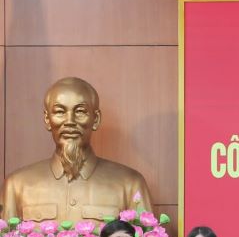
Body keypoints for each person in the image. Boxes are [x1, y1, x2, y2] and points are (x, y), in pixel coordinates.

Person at [1, 77, 153, 221]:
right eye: (60, 111)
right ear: (47, 119)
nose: (70, 121)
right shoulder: (17, 186)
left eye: (80, 111)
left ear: (96, 119)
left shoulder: (130, 184)